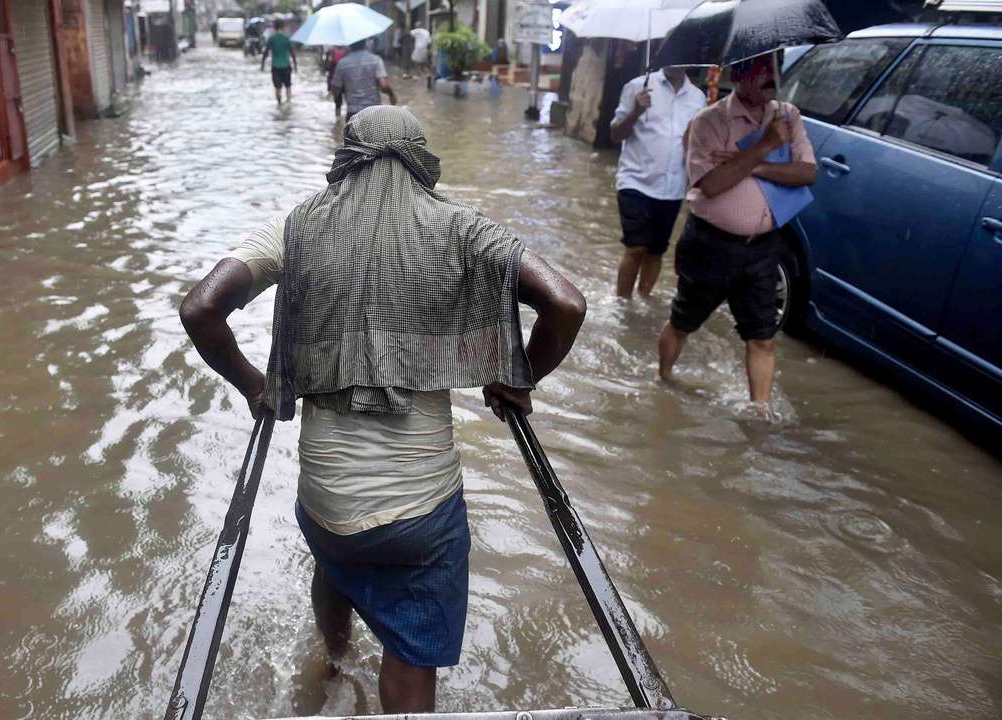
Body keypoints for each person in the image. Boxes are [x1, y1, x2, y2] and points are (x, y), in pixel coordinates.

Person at [179, 107, 586, 712]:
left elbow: (201, 307)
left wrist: (254, 384)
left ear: (345, 161)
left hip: (325, 500)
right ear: (421, 160)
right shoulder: (467, 230)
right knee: (413, 654)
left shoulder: (294, 229)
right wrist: (520, 378)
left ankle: (333, 658)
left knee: (337, 559)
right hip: (420, 513)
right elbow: (567, 305)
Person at [657, 53, 817, 414]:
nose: (768, 74)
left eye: (774, 64)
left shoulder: (788, 117)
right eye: (759, 66)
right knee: (683, 322)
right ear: (739, 73)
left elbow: (807, 174)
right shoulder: (709, 122)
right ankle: (663, 380)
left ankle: (759, 413)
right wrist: (764, 147)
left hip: (764, 248)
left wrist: (751, 164)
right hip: (711, 244)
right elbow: (712, 185)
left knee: (762, 337)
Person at [608, 66, 705, 298]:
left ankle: (642, 302)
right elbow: (615, 134)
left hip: (672, 188)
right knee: (636, 248)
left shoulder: (698, 98)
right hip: (635, 181)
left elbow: (696, 142)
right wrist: (636, 111)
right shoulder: (637, 86)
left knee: (656, 251)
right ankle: (622, 305)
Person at [331, 39, 397, 121]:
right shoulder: (376, 60)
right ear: (365, 43)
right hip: (374, 112)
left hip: (353, 114)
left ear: (349, 44)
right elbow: (383, 86)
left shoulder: (342, 64)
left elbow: (335, 90)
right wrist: (391, 95)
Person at [261, 19, 297, 105]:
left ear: (274, 27)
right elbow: (292, 53)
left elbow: (266, 52)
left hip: (275, 67)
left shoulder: (272, 39)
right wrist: (295, 65)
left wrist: (262, 65)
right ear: (283, 27)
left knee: (278, 88)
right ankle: (288, 102)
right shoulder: (286, 38)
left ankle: (279, 104)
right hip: (286, 66)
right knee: (288, 86)